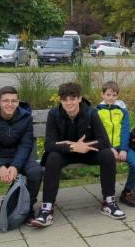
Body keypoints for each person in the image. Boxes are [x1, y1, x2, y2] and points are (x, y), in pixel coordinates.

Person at [31, 82, 125, 228]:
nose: (69, 102)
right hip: (66, 153)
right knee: (52, 158)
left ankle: (109, 202)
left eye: (72, 98)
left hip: (87, 152)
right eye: (64, 99)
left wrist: (85, 147)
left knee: (107, 155)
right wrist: (74, 146)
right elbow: (49, 145)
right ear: (60, 100)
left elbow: (104, 141)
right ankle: (47, 209)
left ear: (79, 98)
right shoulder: (54, 114)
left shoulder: (91, 112)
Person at [0, 87, 42, 234]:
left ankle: (28, 209)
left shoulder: (26, 117)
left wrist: (15, 166)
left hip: (18, 156)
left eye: (14, 101)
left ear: (18, 102)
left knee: (35, 171)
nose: (10, 104)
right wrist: (0, 167)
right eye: (5, 101)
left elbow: (26, 144)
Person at [97, 81, 135, 207]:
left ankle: (127, 191)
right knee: (109, 167)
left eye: (114, 95)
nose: (111, 98)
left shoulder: (122, 111)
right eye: (108, 94)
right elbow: (99, 134)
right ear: (102, 95)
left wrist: (123, 149)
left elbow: (125, 130)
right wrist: (110, 148)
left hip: (122, 147)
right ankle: (108, 196)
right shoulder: (97, 112)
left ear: (117, 96)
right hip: (106, 148)